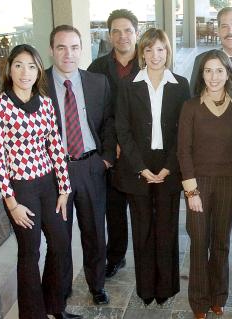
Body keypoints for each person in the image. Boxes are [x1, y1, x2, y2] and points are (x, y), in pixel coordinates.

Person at [0, 44, 81, 319]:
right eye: (18, 65)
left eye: (31, 66)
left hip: (49, 185)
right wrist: (12, 203)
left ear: (38, 69)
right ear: (10, 69)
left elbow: (55, 146)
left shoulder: (46, 102)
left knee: (61, 244)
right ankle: (33, 315)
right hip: (21, 189)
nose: (25, 72)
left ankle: (55, 307)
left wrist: (64, 189)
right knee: (30, 253)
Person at [115, 28, 190, 306]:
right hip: (139, 165)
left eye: (160, 49)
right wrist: (140, 167)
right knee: (143, 229)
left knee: (166, 229)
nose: (155, 55)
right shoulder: (128, 85)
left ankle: (166, 288)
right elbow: (122, 130)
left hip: (170, 164)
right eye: (148, 49)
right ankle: (146, 289)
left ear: (167, 51)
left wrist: (170, 166)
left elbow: (185, 130)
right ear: (141, 52)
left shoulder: (180, 85)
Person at [46, 25, 116, 305]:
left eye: (74, 47)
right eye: (61, 47)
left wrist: (106, 159)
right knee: (59, 237)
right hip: (55, 172)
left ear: (81, 49)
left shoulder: (98, 82)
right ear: (51, 50)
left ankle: (96, 284)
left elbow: (110, 122)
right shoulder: (39, 86)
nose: (68, 54)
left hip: (90, 167)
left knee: (95, 233)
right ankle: (62, 288)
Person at [190, 5, 232, 270]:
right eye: (224, 26)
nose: (230, 31)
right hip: (217, 162)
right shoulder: (201, 62)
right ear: (217, 30)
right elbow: (194, 101)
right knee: (215, 230)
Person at [178, 50, 232, 319]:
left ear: (228, 73)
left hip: (227, 182)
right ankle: (199, 301)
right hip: (198, 184)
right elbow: (183, 151)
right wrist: (191, 191)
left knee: (221, 242)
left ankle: (218, 297)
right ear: (200, 74)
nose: (213, 76)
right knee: (199, 242)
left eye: (219, 70)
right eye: (207, 70)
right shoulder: (191, 106)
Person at [87, 8, 141, 279]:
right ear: (109, 35)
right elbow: (94, 113)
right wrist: (111, 145)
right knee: (114, 208)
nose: (122, 36)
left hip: (142, 152)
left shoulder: (150, 64)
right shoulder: (97, 68)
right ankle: (116, 256)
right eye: (116, 31)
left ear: (137, 33)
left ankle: (147, 257)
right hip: (110, 152)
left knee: (144, 210)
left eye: (128, 30)